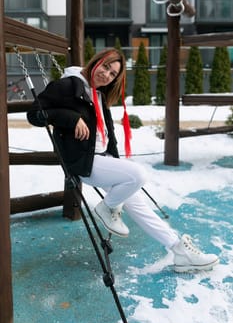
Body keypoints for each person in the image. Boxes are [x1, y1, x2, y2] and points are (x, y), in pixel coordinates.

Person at [27, 48, 219, 273]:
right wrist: (71, 118)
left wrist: (116, 159)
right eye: (106, 67)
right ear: (96, 61)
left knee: (139, 206)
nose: (107, 75)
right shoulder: (69, 85)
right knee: (138, 174)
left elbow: (108, 137)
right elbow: (35, 114)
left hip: (102, 159)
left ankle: (179, 251)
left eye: (112, 74)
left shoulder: (98, 94)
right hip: (82, 161)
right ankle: (106, 208)